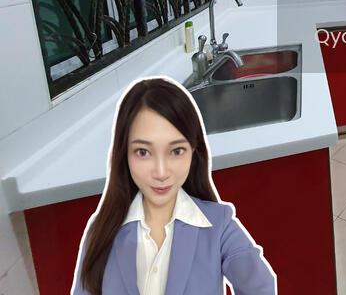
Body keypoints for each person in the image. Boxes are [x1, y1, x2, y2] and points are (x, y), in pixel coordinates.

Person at [71, 76, 277, 294]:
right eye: (143, 152)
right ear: (125, 154)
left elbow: (260, 287)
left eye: (176, 151)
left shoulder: (219, 225)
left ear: (193, 151)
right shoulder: (101, 230)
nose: (161, 173)